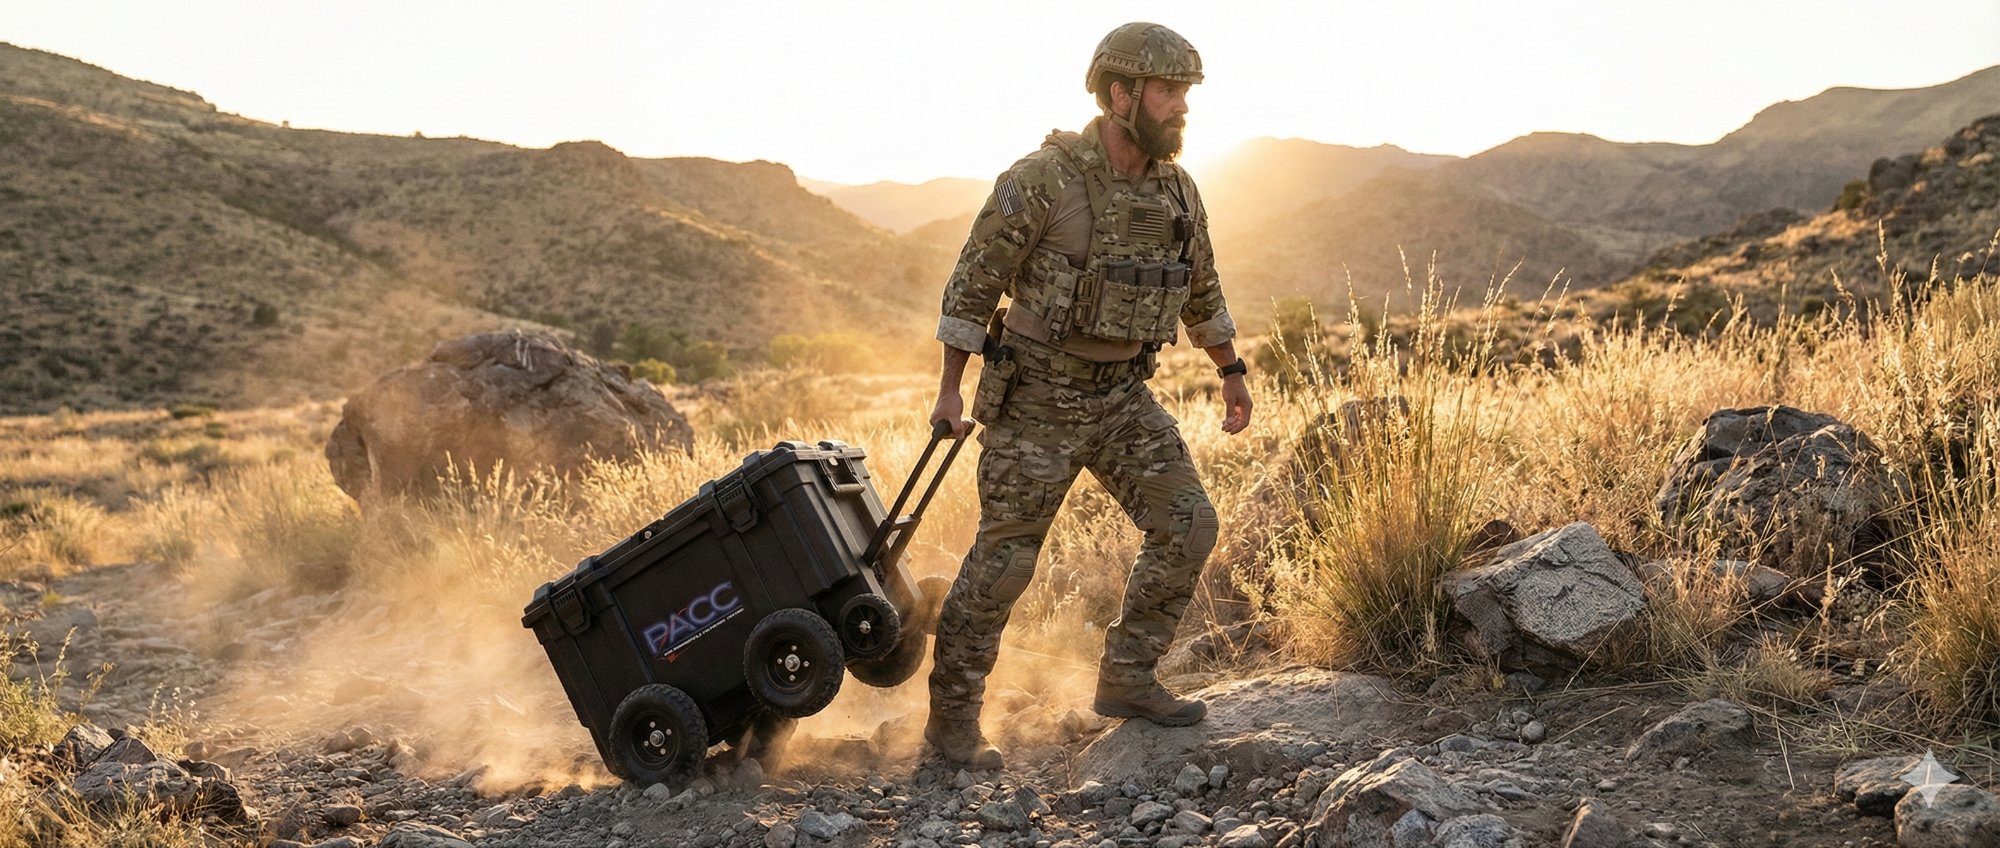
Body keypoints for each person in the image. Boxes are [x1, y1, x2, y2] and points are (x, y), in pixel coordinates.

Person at [923, 21, 1253, 770]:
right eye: (1168, 91)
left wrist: (1230, 371)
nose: (1181, 106)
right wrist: (950, 391)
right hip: (1037, 396)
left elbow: (1201, 289)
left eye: (1185, 93)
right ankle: (951, 723)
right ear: (1120, 94)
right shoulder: (1043, 179)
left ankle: (1129, 678)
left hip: (1121, 397)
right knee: (1005, 562)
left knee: (1189, 524)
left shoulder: (1178, 190)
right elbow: (972, 286)